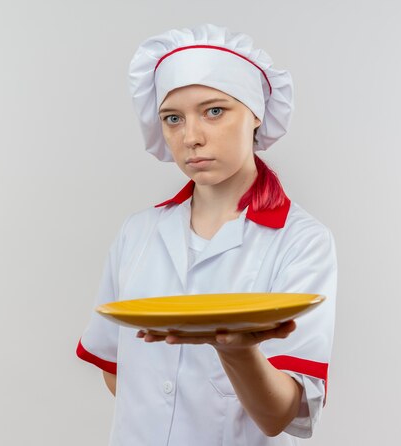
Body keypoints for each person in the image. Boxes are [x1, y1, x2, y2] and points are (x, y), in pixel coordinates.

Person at [76, 24, 337, 446]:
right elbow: (117, 370)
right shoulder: (137, 233)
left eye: (214, 111)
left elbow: (282, 416)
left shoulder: (302, 241)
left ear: (255, 112)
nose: (191, 137)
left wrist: (236, 351)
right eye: (173, 118)